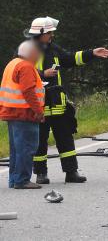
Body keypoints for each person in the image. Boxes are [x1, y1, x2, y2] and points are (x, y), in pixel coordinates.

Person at [25, 17, 108, 184]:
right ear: (41, 33)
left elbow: (70, 58)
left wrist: (91, 53)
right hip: (39, 103)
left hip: (58, 102)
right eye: (50, 33)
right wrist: (43, 74)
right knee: (39, 141)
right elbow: (22, 72)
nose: (52, 35)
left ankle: (71, 172)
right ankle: (41, 174)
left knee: (65, 138)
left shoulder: (53, 49)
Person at [1, 41, 46, 189]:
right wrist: (38, 111)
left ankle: (14, 180)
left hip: (12, 112)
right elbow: (28, 91)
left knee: (16, 149)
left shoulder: (13, 63)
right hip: (25, 114)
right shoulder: (26, 66)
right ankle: (22, 180)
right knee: (27, 147)